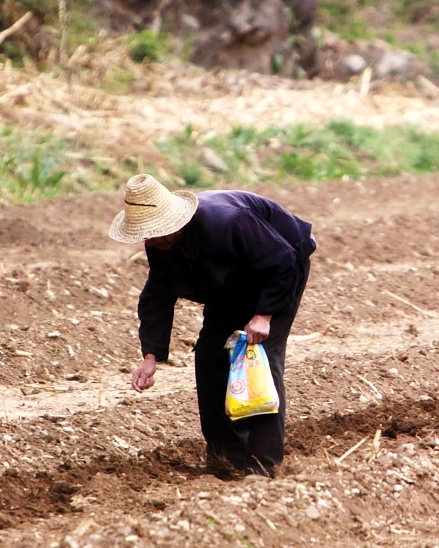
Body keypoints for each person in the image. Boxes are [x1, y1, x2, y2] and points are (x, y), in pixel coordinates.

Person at [109, 173, 316, 477]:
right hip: (228, 284)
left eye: (156, 232)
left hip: (277, 271)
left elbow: (281, 260)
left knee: (257, 357)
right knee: (209, 356)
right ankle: (226, 456)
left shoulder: (228, 221)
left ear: (173, 221)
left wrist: (264, 315)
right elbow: (158, 294)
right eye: (146, 235)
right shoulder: (160, 244)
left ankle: (263, 464)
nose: (150, 240)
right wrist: (151, 356)